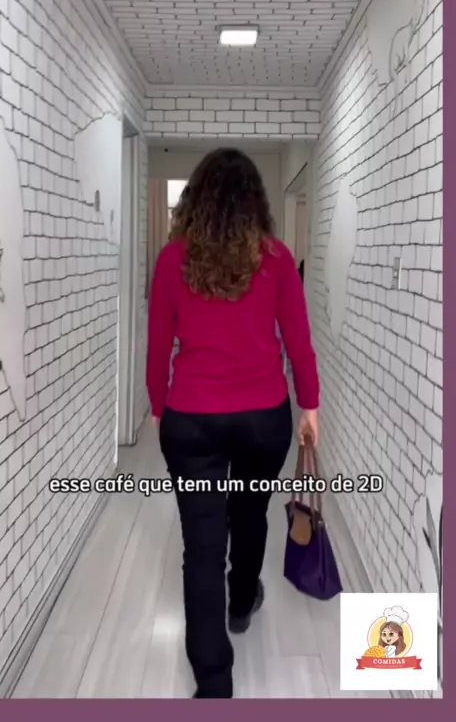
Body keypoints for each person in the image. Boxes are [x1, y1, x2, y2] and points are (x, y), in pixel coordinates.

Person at [146, 148, 320, 699]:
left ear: (195, 200)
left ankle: (214, 683)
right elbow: (299, 343)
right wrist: (310, 406)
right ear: (255, 203)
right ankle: (241, 601)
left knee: (201, 547)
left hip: (191, 420)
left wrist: (159, 408)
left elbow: (157, 347)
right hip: (262, 419)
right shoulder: (276, 258)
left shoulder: (173, 260)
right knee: (249, 513)